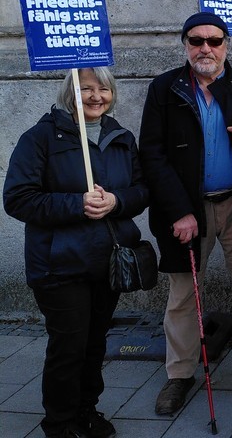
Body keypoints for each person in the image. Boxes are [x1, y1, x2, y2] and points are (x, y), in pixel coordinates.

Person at [138, 12, 232, 415]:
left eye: (215, 41)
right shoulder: (165, 88)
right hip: (188, 209)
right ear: (185, 44)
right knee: (185, 292)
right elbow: (151, 153)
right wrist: (180, 211)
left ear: (225, 44)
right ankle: (180, 372)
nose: (206, 48)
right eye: (197, 40)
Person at [3, 68, 148, 438]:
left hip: (107, 261)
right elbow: (18, 199)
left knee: (95, 342)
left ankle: (87, 410)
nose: (96, 96)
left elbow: (141, 190)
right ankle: (60, 423)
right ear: (70, 92)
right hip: (59, 264)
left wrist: (117, 201)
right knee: (69, 346)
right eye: (86, 89)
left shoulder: (120, 137)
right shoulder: (40, 138)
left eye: (103, 88)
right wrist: (77, 204)